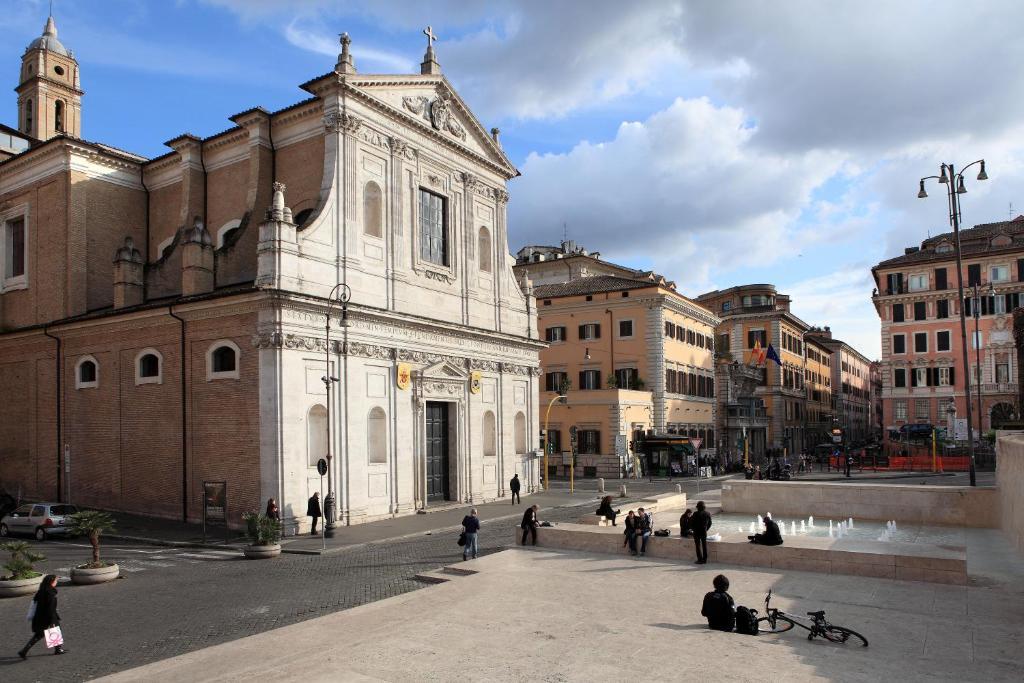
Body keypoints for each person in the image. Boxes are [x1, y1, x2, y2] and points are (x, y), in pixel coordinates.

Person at [18, 574, 66, 658]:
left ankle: (24, 651)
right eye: (55, 581)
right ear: (51, 582)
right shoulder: (50, 592)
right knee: (53, 631)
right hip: (48, 616)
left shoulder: (41, 591)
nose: (56, 582)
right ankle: (57, 649)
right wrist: (52, 619)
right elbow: (50, 607)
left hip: (40, 616)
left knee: (40, 634)